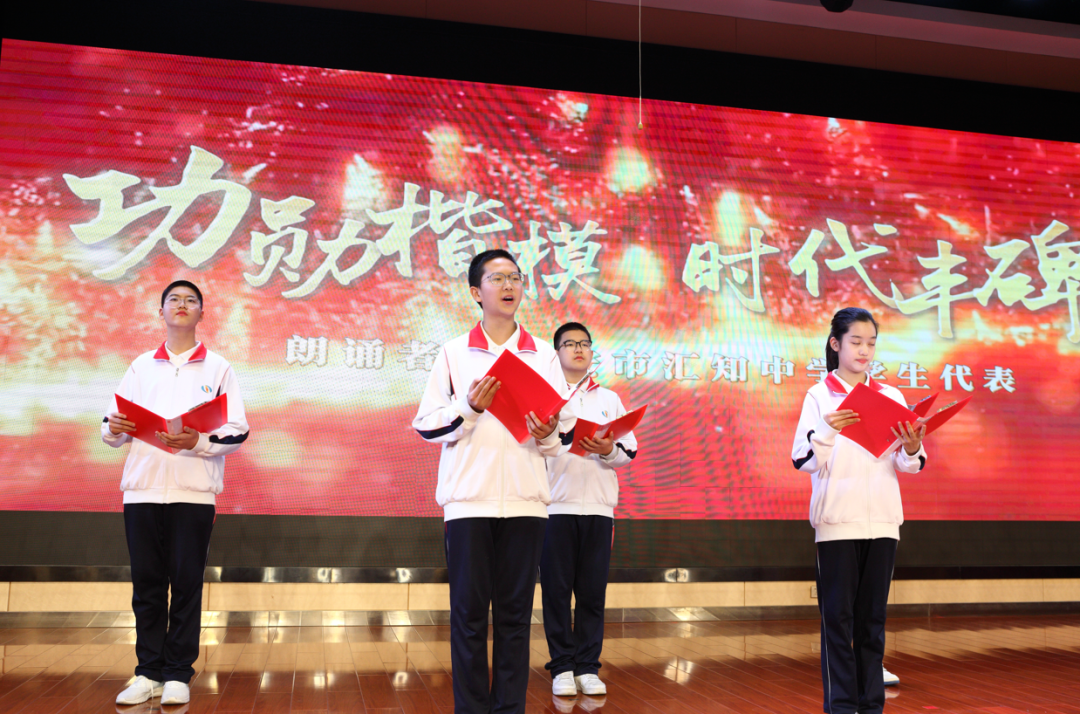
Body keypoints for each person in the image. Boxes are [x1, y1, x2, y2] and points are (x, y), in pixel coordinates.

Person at [412, 249, 571, 714]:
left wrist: (548, 432)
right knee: (467, 616)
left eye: (515, 278)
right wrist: (469, 407)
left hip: (526, 503)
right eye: (497, 278)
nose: (508, 285)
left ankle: (508, 709)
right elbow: (427, 425)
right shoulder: (454, 353)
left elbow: (560, 437)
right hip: (468, 503)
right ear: (475, 292)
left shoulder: (544, 354)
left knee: (515, 617)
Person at [104, 280, 249, 707]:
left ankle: (178, 673)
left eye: (190, 300)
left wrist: (198, 441)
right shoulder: (140, 366)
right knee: (147, 584)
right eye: (174, 300)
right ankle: (147, 671)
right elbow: (111, 426)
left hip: (194, 492)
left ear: (202, 312)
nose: (181, 305)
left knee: (186, 584)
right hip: (142, 490)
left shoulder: (218, 368)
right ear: (161, 311)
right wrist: (114, 428)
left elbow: (237, 430)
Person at [791, 307, 925, 714]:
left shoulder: (891, 396)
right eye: (856, 342)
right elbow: (803, 460)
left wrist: (912, 446)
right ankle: (841, 706)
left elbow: (909, 464)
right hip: (837, 522)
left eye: (871, 343)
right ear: (836, 344)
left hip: (883, 521)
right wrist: (828, 429)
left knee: (873, 621)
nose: (864, 351)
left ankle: (872, 706)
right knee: (838, 621)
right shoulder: (819, 396)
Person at [540, 322, 637, 698]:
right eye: (569, 343)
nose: (578, 348)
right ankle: (562, 667)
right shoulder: (547, 397)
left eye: (584, 343)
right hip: (555, 508)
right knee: (556, 593)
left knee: (592, 593)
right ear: (557, 353)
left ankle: (587, 667)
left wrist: (608, 450)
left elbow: (628, 451)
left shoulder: (609, 398)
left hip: (599, 509)